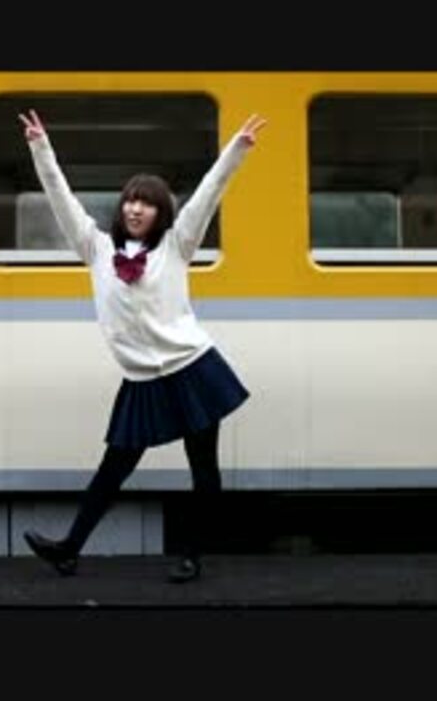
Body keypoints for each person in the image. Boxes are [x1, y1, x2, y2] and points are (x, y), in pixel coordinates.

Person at [19, 109, 267, 583]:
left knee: (204, 470)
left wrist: (236, 149)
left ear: (161, 213)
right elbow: (60, 197)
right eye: (130, 201)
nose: (135, 209)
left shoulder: (178, 244)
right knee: (114, 467)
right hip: (141, 379)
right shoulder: (94, 248)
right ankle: (68, 549)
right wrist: (40, 147)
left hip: (193, 369)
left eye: (147, 203)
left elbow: (209, 192)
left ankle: (192, 555)